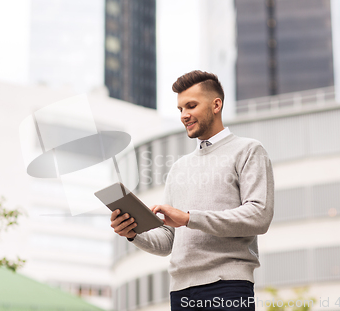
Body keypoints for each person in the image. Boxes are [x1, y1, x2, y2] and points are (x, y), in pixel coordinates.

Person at [110, 70, 274, 311]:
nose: (184, 115)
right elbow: (168, 241)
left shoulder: (248, 151)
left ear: (216, 104)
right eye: (180, 109)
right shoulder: (179, 168)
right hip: (181, 293)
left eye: (191, 106)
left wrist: (189, 218)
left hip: (227, 286)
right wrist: (133, 233)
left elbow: (259, 216)